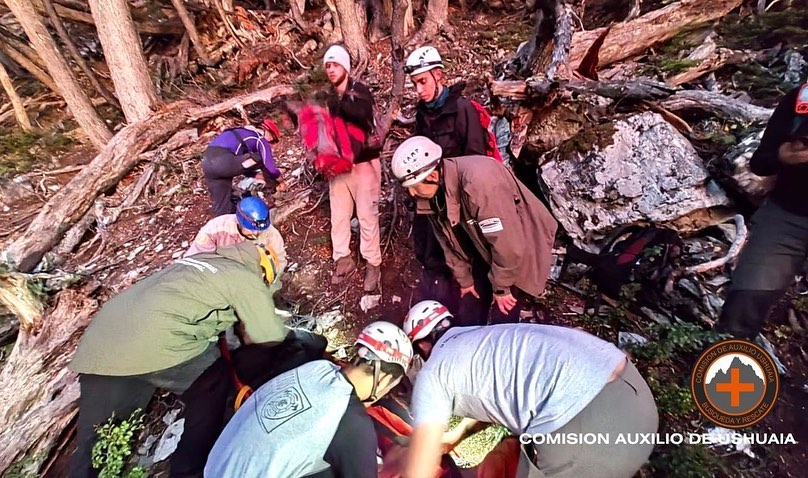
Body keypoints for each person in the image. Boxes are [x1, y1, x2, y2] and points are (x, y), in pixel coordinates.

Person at [68, 240, 286, 478]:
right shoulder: (244, 277)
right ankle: (188, 471)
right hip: (156, 340)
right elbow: (269, 334)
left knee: (100, 435)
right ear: (265, 271)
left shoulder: (200, 260)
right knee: (212, 383)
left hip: (100, 341)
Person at [401, 301, 659, 478]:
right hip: (637, 398)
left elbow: (419, 468)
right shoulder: (486, 336)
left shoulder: (432, 372)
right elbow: (498, 400)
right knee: (508, 451)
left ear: (421, 346)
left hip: (589, 437)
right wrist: (455, 436)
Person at [204, 321, 413, 478]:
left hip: (216, 466)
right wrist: (393, 464)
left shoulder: (316, 368)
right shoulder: (351, 422)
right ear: (385, 377)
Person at [392, 136, 558, 323]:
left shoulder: (480, 182)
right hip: (481, 246)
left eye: (414, 187)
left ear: (431, 175)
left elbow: (508, 243)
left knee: (502, 318)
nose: (412, 194)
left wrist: (502, 288)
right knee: (469, 312)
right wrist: (465, 279)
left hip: (517, 249)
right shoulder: (432, 194)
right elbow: (446, 240)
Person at [405, 46, 493, 326]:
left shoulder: (463, 110)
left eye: (423, 82)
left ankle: (472, 317)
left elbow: (477, 160)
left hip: (461, 202)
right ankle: (437, 307)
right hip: (433, 200)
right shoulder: (422, 114)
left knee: (469, 256)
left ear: (438, 75)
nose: (418, 90)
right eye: (415, 84)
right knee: (431, 250)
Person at [718, 82, 808, 339]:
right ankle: (724, 372)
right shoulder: (801, 101)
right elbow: (761, 161)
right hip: (786, 219)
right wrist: (785, 155)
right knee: (742, 307)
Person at [321, 44, 383, 291]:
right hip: (338, 167)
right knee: (339, 215)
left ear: (345, 66)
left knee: (367, 216)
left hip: (363, 163)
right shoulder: (327, 96)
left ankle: (372, 263)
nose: (331, 70)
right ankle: (343, 258)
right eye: (328, 66)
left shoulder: (360, 92)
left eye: (335, 65)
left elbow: (358, 119)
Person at [184, 196, 286, 274]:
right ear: (240, 222)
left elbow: (280, 262)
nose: (256, 233)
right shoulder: (216, 229)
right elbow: (195, 261)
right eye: (251, 229)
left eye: (260, 229)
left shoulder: (271, 235)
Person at [202, 118, 282, 217]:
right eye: (273, 141)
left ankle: (224, 227)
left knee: (222, 206)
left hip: (207, 164)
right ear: (268, 132)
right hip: (224, 161)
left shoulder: (241, 133)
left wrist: (255, 174)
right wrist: (278, 177)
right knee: (260, 157)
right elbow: (269, 165)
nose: (271, 145)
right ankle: (273, 194)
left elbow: (238, 165)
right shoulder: (259, 138)